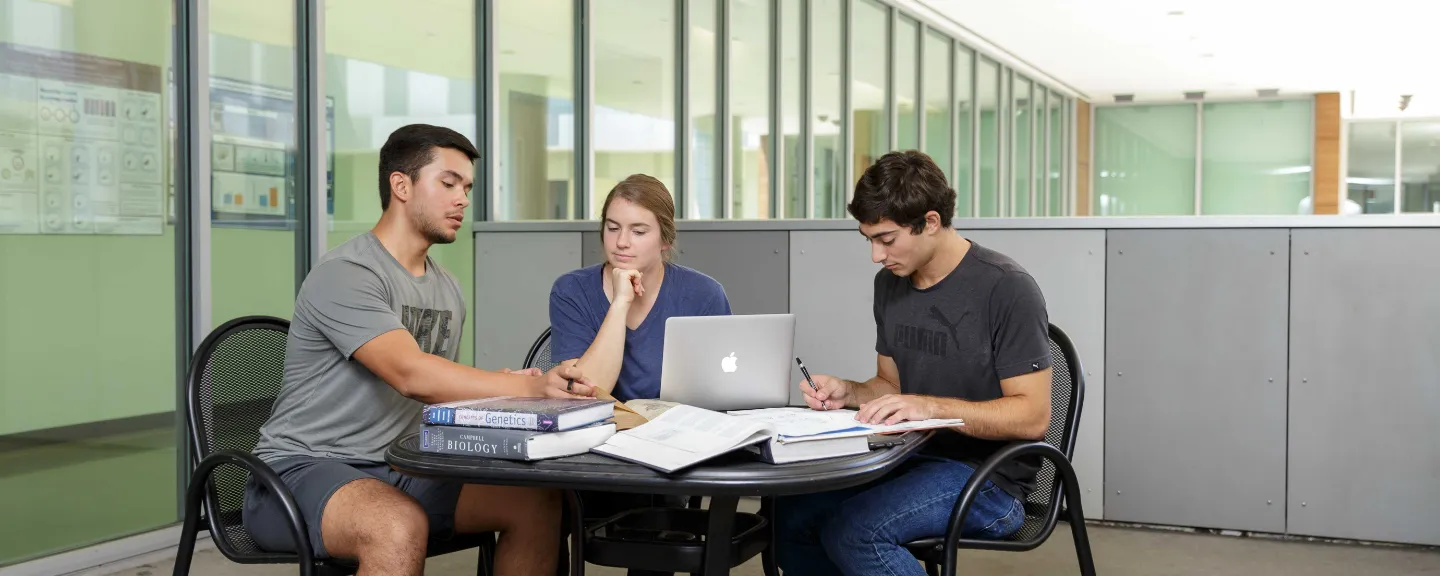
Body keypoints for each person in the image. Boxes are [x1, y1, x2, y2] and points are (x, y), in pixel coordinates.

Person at [245, 124, 595, 576]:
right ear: (401, 185)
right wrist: (525, 386)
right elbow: (412, 375)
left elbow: (437, 384)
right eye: (448, 183)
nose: (462, 199)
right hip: (300, 470)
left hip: (401, 465)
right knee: (396, 524)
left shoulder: (446, 287)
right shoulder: (347, 273)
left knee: (537, 499)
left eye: (466, 187)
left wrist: (512, 390)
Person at [775, 150, 1053, 576]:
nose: (875, 255)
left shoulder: (1007, 288)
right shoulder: (890, 284)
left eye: (886, 239)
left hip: (989, 479)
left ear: (931, 222)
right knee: (788, 517)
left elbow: (1032, 417)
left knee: (857, 531)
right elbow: (890, 384)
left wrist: (931, 408)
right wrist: (848, 392)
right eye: (868, 240)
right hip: (907, 458)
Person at [546, 174, 731, 576]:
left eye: (638, 230)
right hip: (588, 456)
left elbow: (724, 394)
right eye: (612, 228)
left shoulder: (703, 294)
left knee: (659, 514)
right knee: (540, 508)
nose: (621, 242)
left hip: (668, 461)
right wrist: (621, 302)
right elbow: (591, 390)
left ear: (665, 239)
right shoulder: (572, 291)